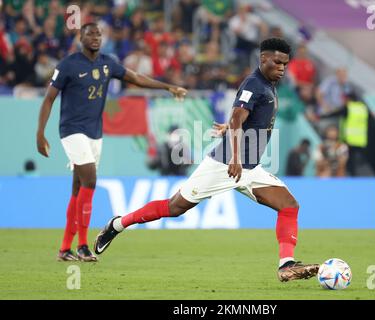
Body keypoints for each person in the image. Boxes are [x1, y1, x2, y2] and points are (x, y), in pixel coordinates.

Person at [94, 38, 320, 282]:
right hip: (226, 165)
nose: (281, 68)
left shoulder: (269, 83)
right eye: (277, 62)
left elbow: (244, 120)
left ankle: (286, 265)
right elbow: (236, 118)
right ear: (263, 59)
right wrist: (234, 154)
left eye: (285, 64)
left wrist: (229, 129)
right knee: (174, 207)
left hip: (250, 168)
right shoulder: (254, 85)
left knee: (289, 205)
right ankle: (116, 225)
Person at [36, 23, 187, 262]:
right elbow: (48, 100)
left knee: (78, 189)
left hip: (95, 133)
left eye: (98, 34)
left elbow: (136, 78)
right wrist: (40, 132)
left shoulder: (107, 63)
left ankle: (65, 248)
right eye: (90, 34)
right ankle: (83, 245)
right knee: (90, 180)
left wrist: (168, 87)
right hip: (71, 131)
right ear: (80, 38)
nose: (95, 37)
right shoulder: (68, 65)